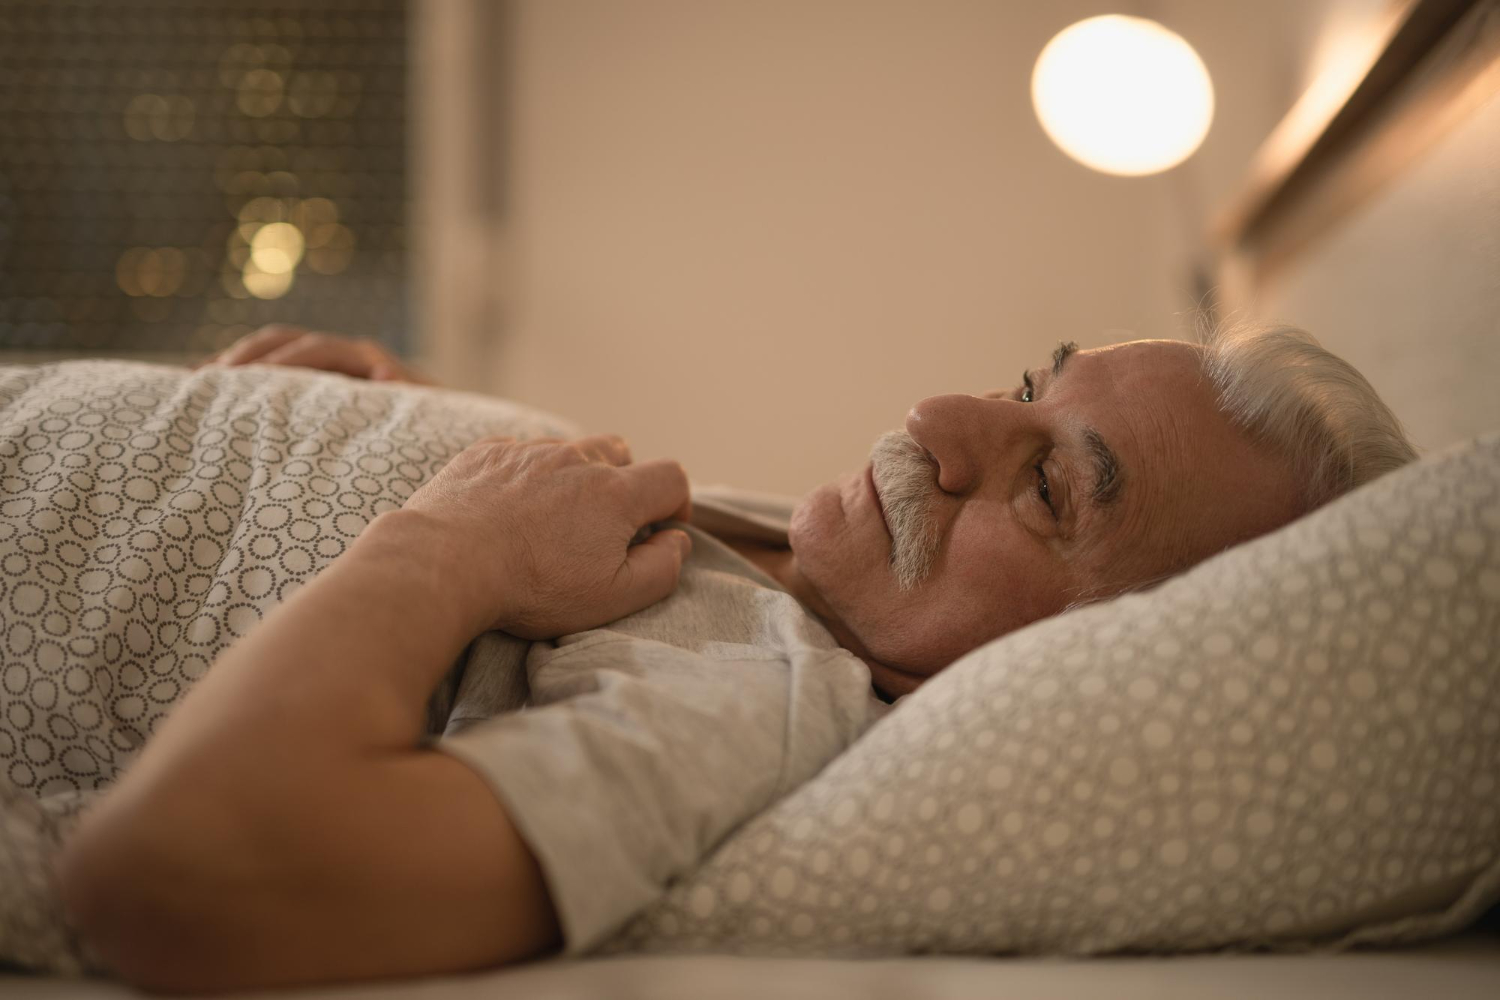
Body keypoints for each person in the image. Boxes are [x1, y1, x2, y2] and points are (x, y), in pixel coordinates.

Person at [20, 321, 1412, 991]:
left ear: (1097, 663)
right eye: (1028, 387)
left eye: (1050, 486)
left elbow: (181, 877)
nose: (939, 412)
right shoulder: (779, 554)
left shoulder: (755, 693)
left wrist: (430, 545)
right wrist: (345, 428)